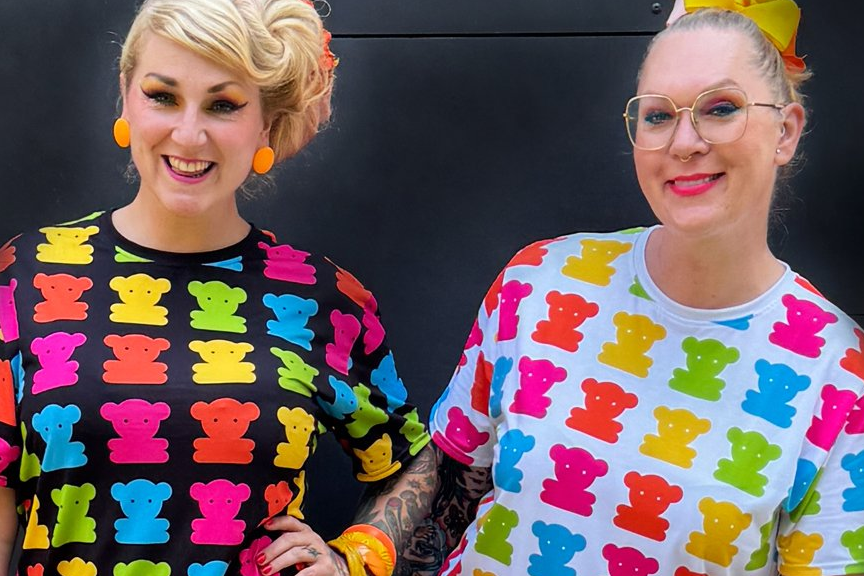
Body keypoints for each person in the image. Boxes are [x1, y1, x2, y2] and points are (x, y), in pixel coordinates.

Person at [405, 2, 864, 575]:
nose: (685, 142)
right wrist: (363, 557)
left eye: (721, 109)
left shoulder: (840, 375)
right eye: (657, 116)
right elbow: (448, 481)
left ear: (785, 132)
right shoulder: (538, 282)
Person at [0, 1, 435, 575]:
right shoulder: (27, 276)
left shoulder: (322, 297)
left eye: (223, 105)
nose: (189, 133)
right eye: (163, 95)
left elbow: (415, 458)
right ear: (126, 95)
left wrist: (354, 559)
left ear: (265, 124)